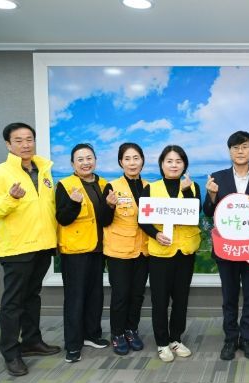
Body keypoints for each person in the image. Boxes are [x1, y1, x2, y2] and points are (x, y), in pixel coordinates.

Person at [0, 123, 61, 376]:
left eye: (29, 139)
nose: (25, 144)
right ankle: (11, 353)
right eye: (18, 140)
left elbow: (48, 208)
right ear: (8, 144)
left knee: (32, 297)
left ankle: (32, 341)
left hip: (43, 244)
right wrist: (11, 198)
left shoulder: (44, 170)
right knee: (13, 302)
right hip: (17, 247)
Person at [203, 131, 249, 361]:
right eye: (235, 148)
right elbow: (208, 212)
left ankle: (247, 339)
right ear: (230, 151)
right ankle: (230, 339)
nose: (240, 151)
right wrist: (211, 195)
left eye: (244, 147)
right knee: (229, 297)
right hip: (227, 248)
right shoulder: (218, 177)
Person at [139, 145, 201, 363]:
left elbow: (194, 213)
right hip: (160, 253)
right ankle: (162, 343)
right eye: (169, 161)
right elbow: (142, 219)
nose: (174, 165)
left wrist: (186, 191)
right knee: (160, 299)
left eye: (178, 161)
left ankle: (176, 339)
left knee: (181, 299)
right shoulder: (151, 188)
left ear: (184, 164)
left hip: (185, 251)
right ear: (162, 164)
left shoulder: (192, 186)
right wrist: (155, 234)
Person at [56, 143, 109, 363]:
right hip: (75, 250)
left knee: (95, 295)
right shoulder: (65, 185)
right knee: (75, 298)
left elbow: (105, 218)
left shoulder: (103, 184)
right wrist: (73, 203)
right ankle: (73, 344)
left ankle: (92, 335)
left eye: (89, 158)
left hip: (98, 248)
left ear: (95, 160)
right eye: (80, 159)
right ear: (72, 164)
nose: (85, 163)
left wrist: (111, 206)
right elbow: (63, 218)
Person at [101, 143, 149, 356]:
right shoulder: (111, 187)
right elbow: (103, 220)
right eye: (127, 159)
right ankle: (118, 333)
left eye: (136, 158)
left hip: (143, 250)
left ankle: (131, 330)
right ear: (121, 162)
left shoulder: (150, 187)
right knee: (121, 295)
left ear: (142, 161)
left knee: (137, 294)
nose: (132, 163)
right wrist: (109, 206)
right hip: (118, 251)